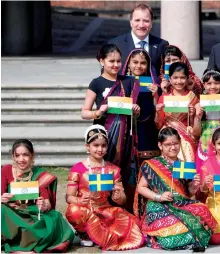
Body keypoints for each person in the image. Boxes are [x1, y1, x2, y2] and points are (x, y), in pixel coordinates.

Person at [134, 127, 217, 251]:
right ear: (160, 145)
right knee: (173, 222)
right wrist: (159, 196)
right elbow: (141, 188)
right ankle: (179, 239)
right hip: (160, 204)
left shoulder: (184, 166)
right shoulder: (152, 164)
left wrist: (194, 185)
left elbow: (189, 192)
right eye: (168, 144)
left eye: (175, 144)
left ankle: (190, 238)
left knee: (203, 209)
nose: (173, 147)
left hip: (182, 203)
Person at [81, 44, 140, 212]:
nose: (115, 65)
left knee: (123, 173)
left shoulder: (128, 82)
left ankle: (122, 208)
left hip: (125, 138)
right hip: (103, 137)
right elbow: (84, 112)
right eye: (111, 61)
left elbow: (135, 110)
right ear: (101, 61)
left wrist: (136, 110)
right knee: (103, 170)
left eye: (118, 61)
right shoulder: (97, 83)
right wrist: (98, 112)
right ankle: (100, 208)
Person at [65, 125, 144, 250]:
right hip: (86, 210)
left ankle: (100, 235)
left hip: (105, 211)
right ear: (87, 147)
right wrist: (79, 201)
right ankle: (85, 235)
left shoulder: (113, 170)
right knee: (73, 211)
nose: (100, 149)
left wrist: (118, 197)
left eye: (103, 146)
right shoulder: (78, 168)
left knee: (133, 223)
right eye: (96, 145)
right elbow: (69, 197)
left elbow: (122, 200)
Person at [1, 139, 74, 253]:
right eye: (17, 155)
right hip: (12, 213)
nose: (21, 159)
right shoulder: (6, 170)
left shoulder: (39, 174)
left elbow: (47, 203)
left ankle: (23, 246)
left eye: (25, 155)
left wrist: (43, 205)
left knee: (55, 217)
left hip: (32, 214)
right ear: (13, 157)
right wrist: (2, 198)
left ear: (32, 155)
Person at [121, 48, 161, 166]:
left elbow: (158, 109)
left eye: (143, 63)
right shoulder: (121, 82)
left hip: (147, 127)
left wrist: (156, 95)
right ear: (128, 63)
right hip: (127, 126)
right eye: (135, 62)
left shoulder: (153, 84)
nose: (139, 66)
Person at [193, 67, 220, 170]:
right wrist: (198, 117)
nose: (212, 86)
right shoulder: (199, 105)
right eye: (209, 83)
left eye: (216, 83)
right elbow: (195, 133)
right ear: (203, 85)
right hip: (205, 143)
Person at [155, 62, 198, 162]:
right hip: (168, 138)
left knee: (187, 166)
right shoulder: (164, 98)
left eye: (182, 77)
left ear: (187, 79)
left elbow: (196, 128)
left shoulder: (193, 97)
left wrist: (192, 115)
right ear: (170, 79)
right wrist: (158, 112)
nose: (179, 81)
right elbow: (158, 124)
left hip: (186, 137)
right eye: (175, 78)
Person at [109, 4, 169, 74]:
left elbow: (165, 73)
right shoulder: (115, 44)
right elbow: (107, 74)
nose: (141, 25)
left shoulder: (162, 45)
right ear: (131, 22)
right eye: (137, 20)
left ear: (151, 23)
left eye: (146, 21)